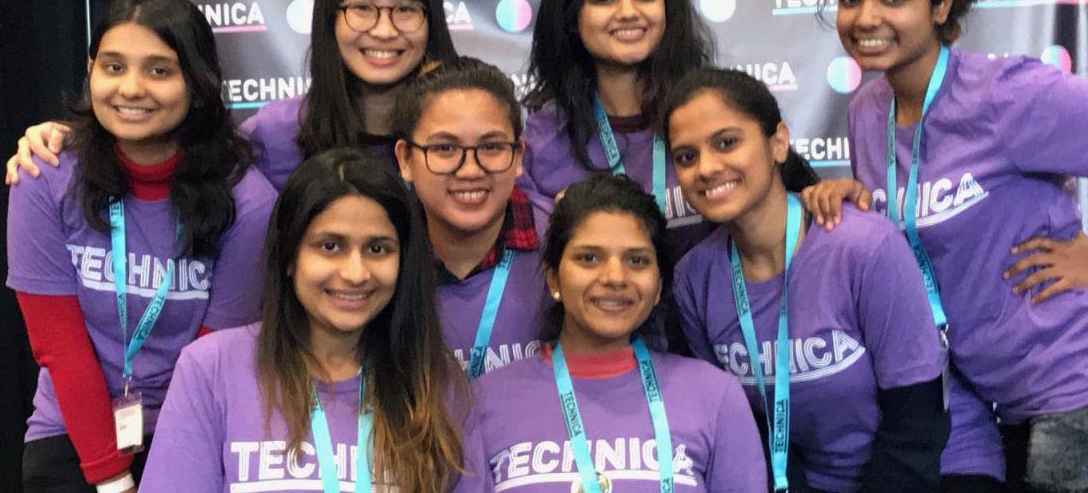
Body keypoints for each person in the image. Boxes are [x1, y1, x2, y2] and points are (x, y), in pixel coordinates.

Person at [801, 0, 1088, 490]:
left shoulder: (1007, 95)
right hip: (1004, 404)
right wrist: (861, 203)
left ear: (942, 3)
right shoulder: (866, 112)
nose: (866, 16)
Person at [7, 0, 276, 493]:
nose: (131, 88)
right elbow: (58, 344)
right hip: (72, 435)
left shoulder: (246, 201)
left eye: (159, 70)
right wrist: (111, 478)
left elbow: (214, 356)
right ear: (90, 72)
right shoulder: (44, 175)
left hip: (194, 431)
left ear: (197, 84)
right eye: (112, 67)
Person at [665, 67, 952, 492]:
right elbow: (740, 429)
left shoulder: (863, 247)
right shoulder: (695, 279)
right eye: (687, 156)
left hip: (928, 470)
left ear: (778, 142)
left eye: (727, 143)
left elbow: (917, 423)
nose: (706, 168)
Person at [139, 148, 489, 492]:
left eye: (378, 248)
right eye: (330, 246)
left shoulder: (435, 382)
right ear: (290, 257)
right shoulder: (211, 368)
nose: (355, 273)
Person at [7, 0, 458, 190]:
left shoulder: (465, 135)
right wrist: (73, 139)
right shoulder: (275, 135)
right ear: (329, 21)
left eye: (405, 10)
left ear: (431, 21)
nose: (383, 30)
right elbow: (169, 160)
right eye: (362, 7)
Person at [474, 174, 766, 492]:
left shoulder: (716, 397)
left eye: (637, 260)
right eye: (589, 258)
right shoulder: (482, 401)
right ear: (554, 278)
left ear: (658, 287)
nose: (615, 277)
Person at [518, 0, 715, 262]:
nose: (628, 11)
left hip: (708, 314)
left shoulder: (712, 117)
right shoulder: (539, 138)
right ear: (571, 17)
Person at [392, 58, 548, 378]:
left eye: (491, 146)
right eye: (445, 148)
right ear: (406, 159)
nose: (470, 170)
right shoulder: (378, 254)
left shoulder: (568, 245)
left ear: (518, 155)